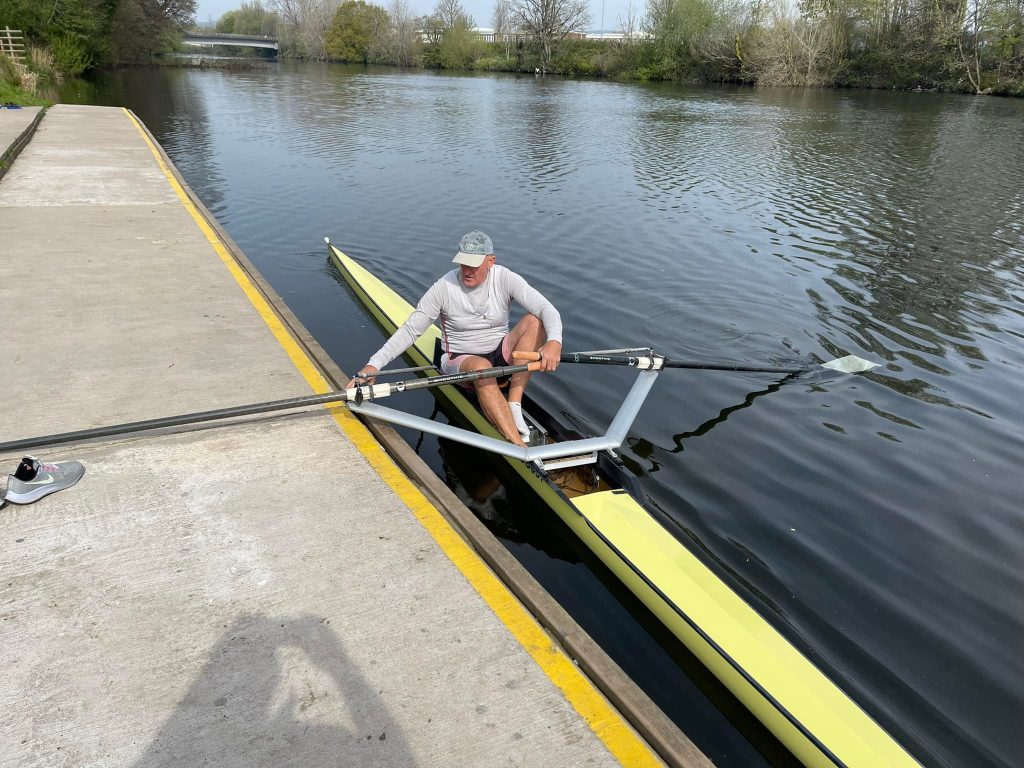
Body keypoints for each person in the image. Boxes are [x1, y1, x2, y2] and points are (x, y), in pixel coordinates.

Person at [346, 231, 562, 447]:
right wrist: (374, 365)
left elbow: (546, 308)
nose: (466, 270)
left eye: (473, 265)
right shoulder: (444, 287)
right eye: (463, 263)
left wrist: (554, 342)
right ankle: (518, 447)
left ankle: (514, 403)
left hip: (499, 353)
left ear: (491, 261)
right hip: (460, 359)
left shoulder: (504, 278)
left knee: (535, 321)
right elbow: (410, 331)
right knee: (482, 367)